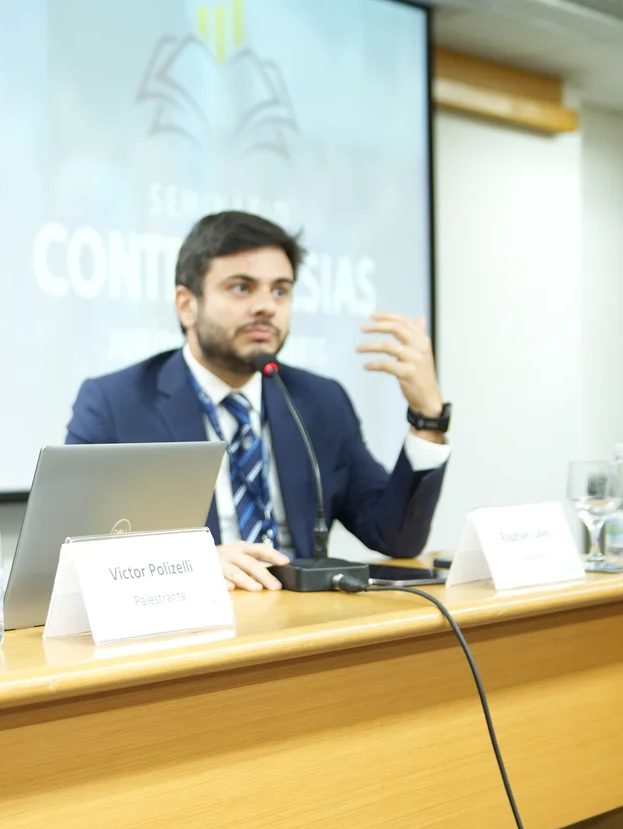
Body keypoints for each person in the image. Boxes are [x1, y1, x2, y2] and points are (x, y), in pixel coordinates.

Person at [65, 211, 450, 592]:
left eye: (280, 290)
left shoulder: (320, 400)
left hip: (304, 617)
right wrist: (192, 563)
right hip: (191, 617)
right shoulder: (116, 403)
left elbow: (394, 535)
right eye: (241, 288)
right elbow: (73, 551)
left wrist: (427, 420)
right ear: (186, 305)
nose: (266, 306)